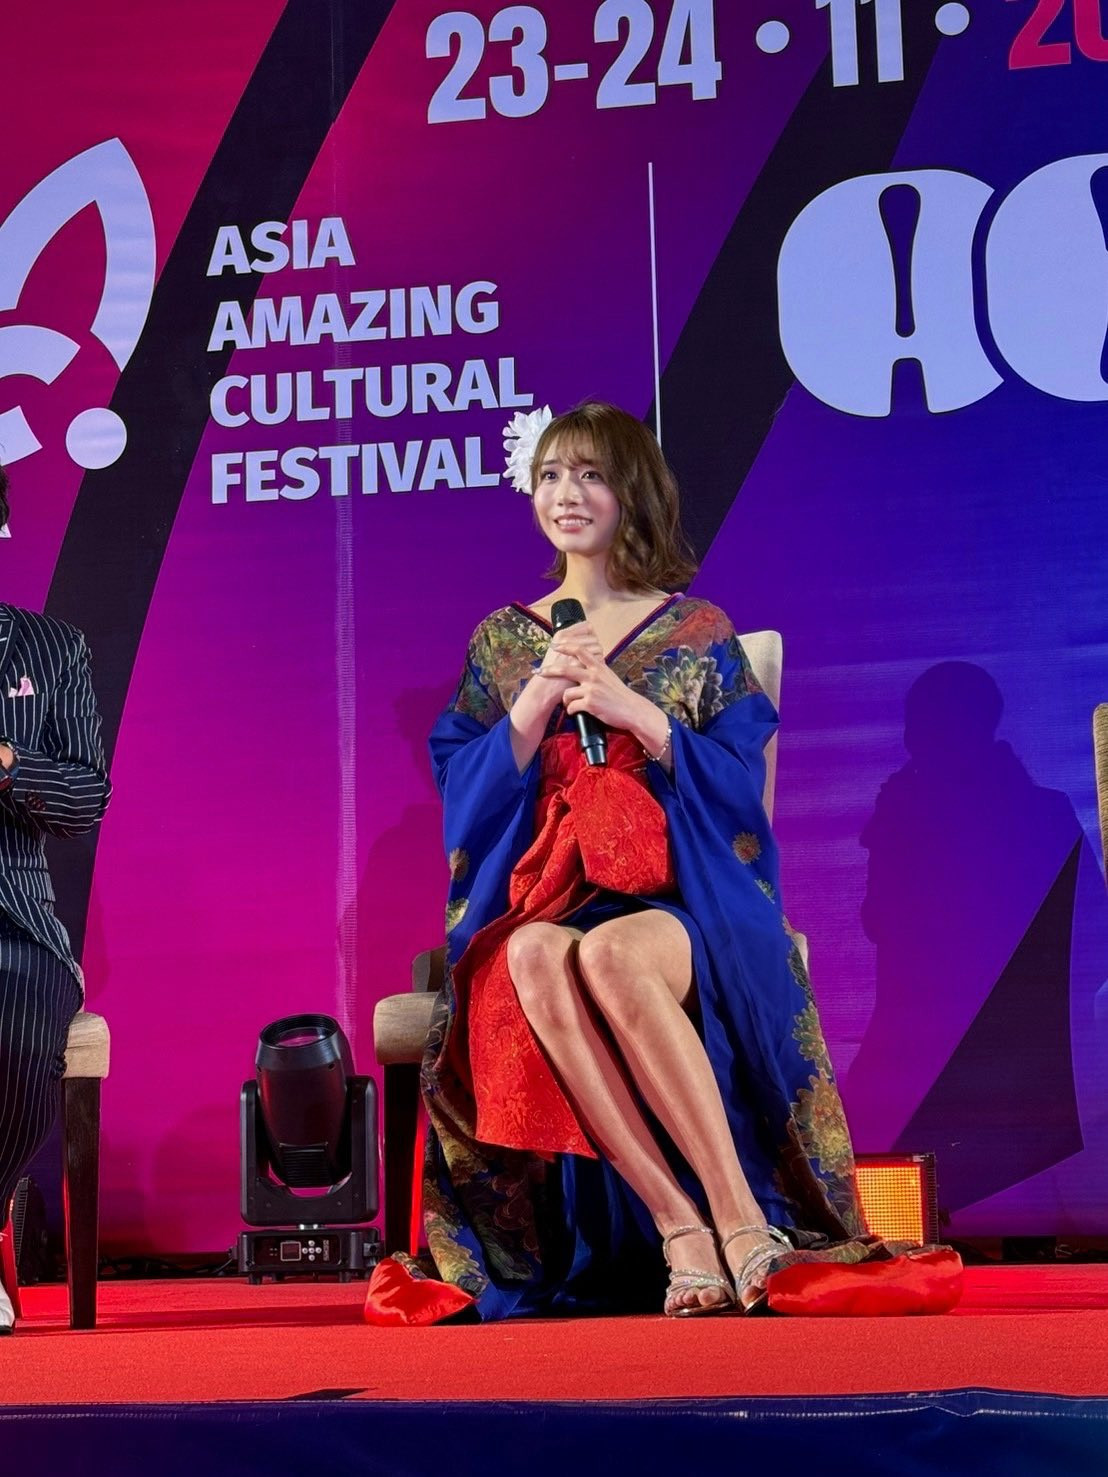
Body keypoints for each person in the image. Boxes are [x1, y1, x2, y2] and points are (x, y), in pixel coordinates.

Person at [400, 403, 928, 1324]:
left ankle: (741, 1221)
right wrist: (533, 703)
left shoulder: (697, 630)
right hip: (548, 891)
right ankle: (679, 1226)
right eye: (552, 475)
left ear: (631, 494)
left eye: (590, 476)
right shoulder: (504, 641)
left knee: (611, 956)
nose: (567, 495)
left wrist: (636, 713)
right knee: (528, 957)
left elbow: (740, 789)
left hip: (682, 895)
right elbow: (463, 796)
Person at [0, 462, 111, 1333]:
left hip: (13, 920)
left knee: (12, 1017)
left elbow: (83, 799)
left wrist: (5, 761)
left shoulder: (48, 649)